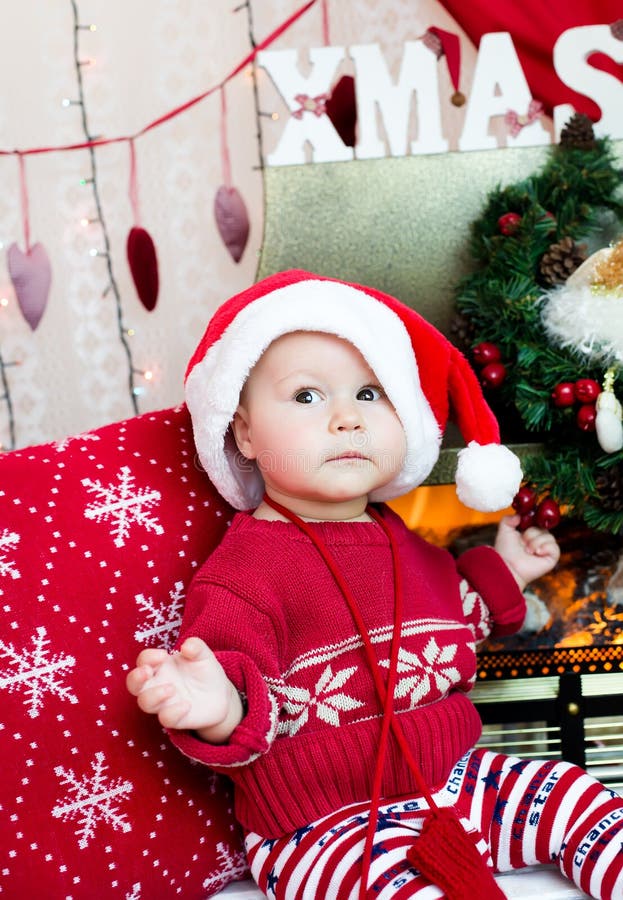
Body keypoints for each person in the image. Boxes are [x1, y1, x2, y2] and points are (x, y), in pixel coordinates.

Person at [127, 270, 623, 899]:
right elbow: (242, 694)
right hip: (321, 825)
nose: (346, 419)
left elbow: (454, 621)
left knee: (579, 798)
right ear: (244, 433)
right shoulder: (247, 571)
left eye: (370, 394)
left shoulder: (400, 541)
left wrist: (510, 571)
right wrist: (215, 702)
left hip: (454, 779)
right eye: (306, 397)